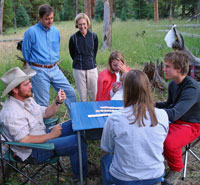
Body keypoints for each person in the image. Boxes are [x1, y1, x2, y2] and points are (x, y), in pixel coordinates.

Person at [0, 67, 88, 179]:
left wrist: (57, 102)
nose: (31, 86)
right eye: (26, 85)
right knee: (76, 142)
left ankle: (80, 162)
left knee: (76, 124)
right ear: (15, 90)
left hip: (42, 135)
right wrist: (51, 135)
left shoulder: (27, 98)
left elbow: (45, 113)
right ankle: (82, 177)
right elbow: (23, 143)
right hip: (33, 151)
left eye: (29, 83)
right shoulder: (11, 113)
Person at [101, 69, 169, 185]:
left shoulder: (115, 118)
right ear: (148, 88)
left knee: (106, 159)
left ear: (125, 91)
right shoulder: (162, 115)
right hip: (155, 174)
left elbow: (107, 148)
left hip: (124, 178)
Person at [22, 4, 76, 116]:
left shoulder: (55, 31)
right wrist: (36, 65)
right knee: (42, 103)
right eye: (47, 19)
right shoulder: (31, 32)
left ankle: (75, 122)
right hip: (39, 70)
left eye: (52, 18)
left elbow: (56, 49)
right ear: (40, 18)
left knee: (70, 93)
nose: (50, 21)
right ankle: (43, 130)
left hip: (55, 69)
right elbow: (26, 53)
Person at [156, 51, 200, 185]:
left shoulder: (192, 88)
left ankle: (176, 169)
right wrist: (151, 104)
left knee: (169, 141)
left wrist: (151, 111)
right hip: (177, 120)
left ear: (178, 69)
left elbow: (174, 113)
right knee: (152, 132)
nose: (164, 69)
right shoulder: (173, 84)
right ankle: (157, 163)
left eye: (167, 66)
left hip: (192, 124)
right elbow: (169, 105)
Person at [69, 13, 98, 102]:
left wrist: (90, 61)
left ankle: (94, 112)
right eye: (80, 24)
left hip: (92, 68)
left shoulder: (93, 36)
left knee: (94, 95)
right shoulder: (73, 38)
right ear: (77, 25)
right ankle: (84, 114)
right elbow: (72, 54)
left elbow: (94, 52)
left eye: (84, 24)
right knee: (82, 97)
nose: (82, 26)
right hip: (79, 69)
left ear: (87, 24)